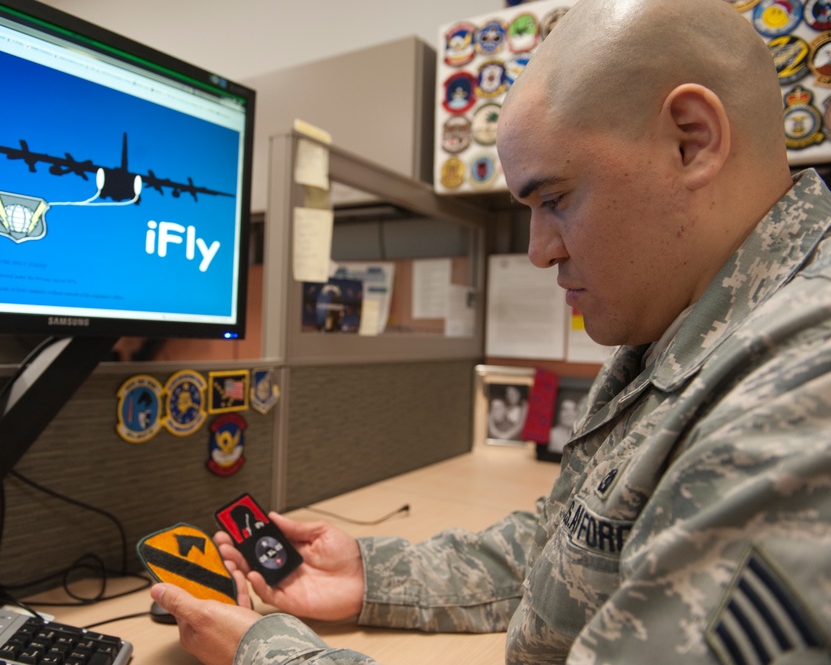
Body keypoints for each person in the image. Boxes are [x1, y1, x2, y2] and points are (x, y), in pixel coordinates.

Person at [151, 0, 831, 662]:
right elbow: (575, 544)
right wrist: (373, 573)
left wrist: (265, 651)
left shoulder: (800, 396)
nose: (538, 251)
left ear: (692, 140)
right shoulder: (689, 318)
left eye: (556, 199)